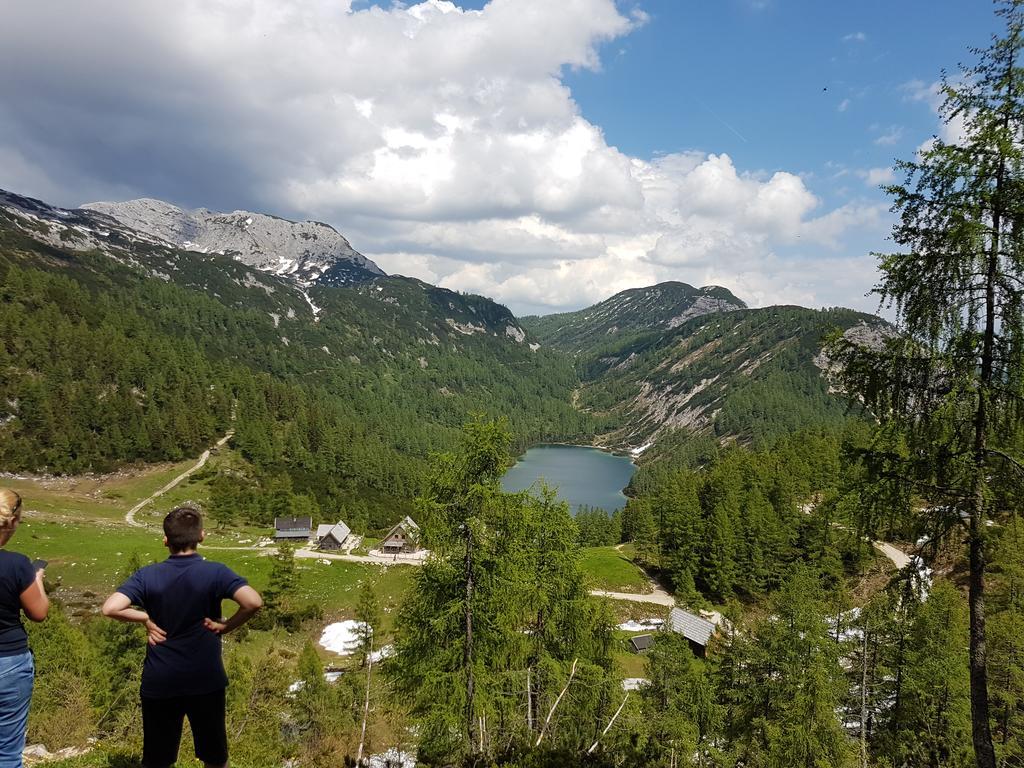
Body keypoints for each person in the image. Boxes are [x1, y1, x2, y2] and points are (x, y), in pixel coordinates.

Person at [102, 505, 262, 768]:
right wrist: (226, 626)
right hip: (205, 679)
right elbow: (253, 602)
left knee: (157, 759)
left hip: (160, 680)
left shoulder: (147, 575)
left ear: (166, 540)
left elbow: (110, 608)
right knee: (215, 757)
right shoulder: (216, 572)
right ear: (202, 536)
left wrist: (144, 618)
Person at [0, 488, 48, 768]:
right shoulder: (17, 564)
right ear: (14, 521)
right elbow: (38, 613)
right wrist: (37, 577)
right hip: (9, 660)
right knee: (6, 751)